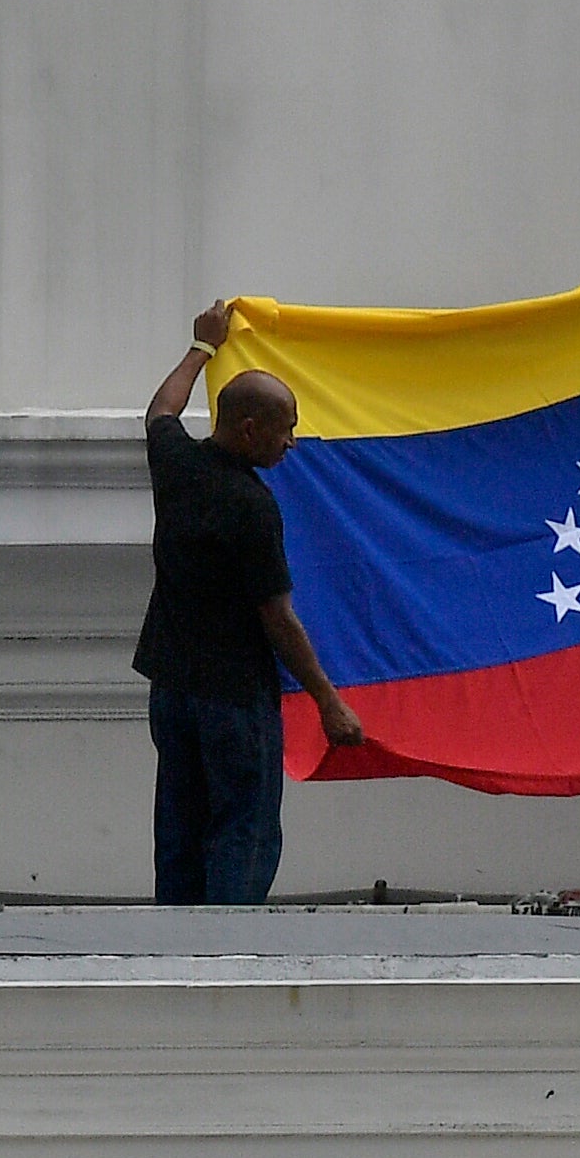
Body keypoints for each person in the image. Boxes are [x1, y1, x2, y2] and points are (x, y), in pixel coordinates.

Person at [134, 303, 364, 904]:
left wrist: (202, 348)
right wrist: (328, 701)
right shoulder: (252, 507)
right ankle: (226, 957)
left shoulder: (177, 465)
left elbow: (161, 411)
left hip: (171, 690)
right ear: (248, 430)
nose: (292, 441)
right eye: (285, 427)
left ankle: (176, 949)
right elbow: (279, 619)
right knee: (245, 828)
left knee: (180, 823)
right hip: (233, 700)